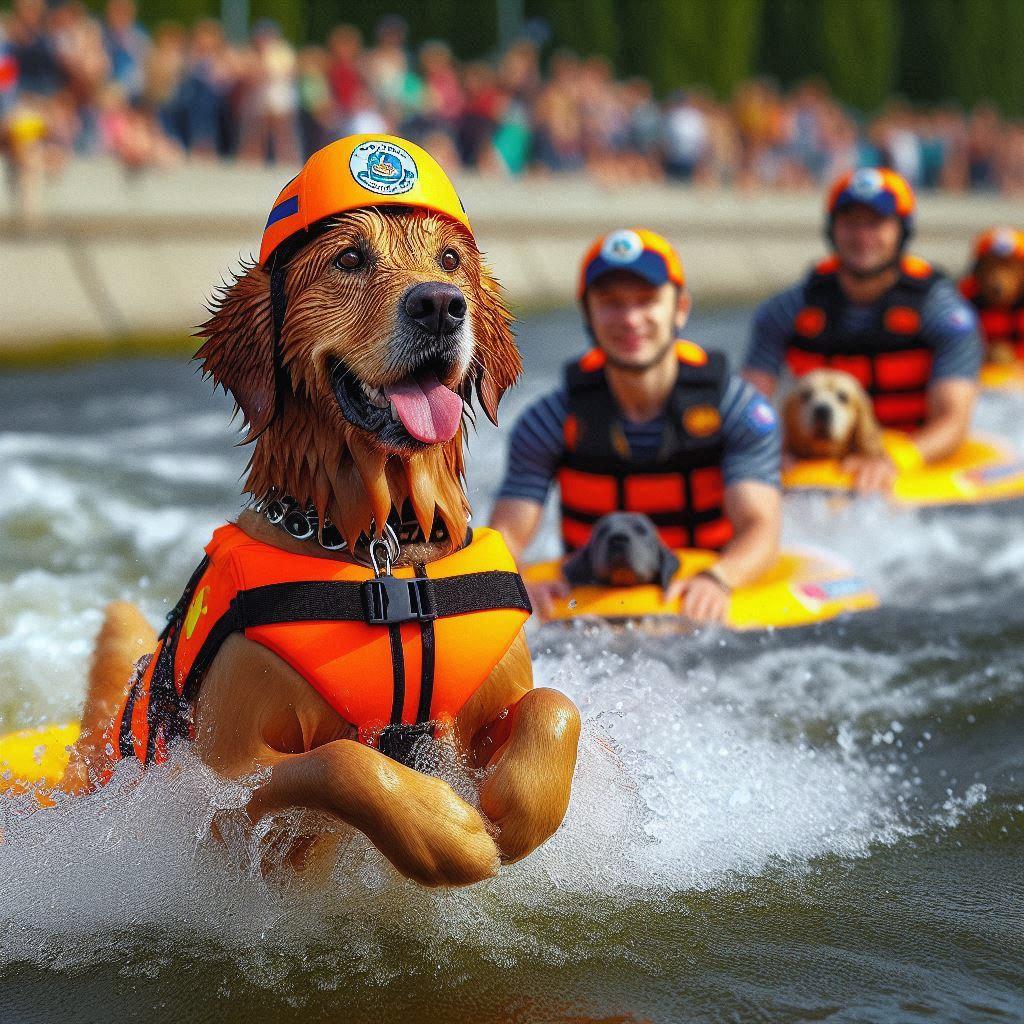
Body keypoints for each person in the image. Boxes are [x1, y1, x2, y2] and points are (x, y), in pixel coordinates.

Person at [489, 228, 781, 625]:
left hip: (704, 599)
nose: (629, 319)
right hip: (593, 607)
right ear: (588, 313)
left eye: (647, 301)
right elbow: (505, 536)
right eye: (610, 303)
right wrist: (518, 581)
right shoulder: (549, 420)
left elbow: (761, 527)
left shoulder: (737, 408)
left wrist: (719, 578)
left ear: (680, 309)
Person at [744, 167, 982, 492]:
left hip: (911, 455)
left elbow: (953, 422)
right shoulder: (786, 310)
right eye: (850, 223)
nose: (862, 236)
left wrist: (893, 459)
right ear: (833, 230)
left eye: (876, 223)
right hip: (818, 461)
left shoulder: (943, 312)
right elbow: (749, 406)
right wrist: (769, 452)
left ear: (902, 231)